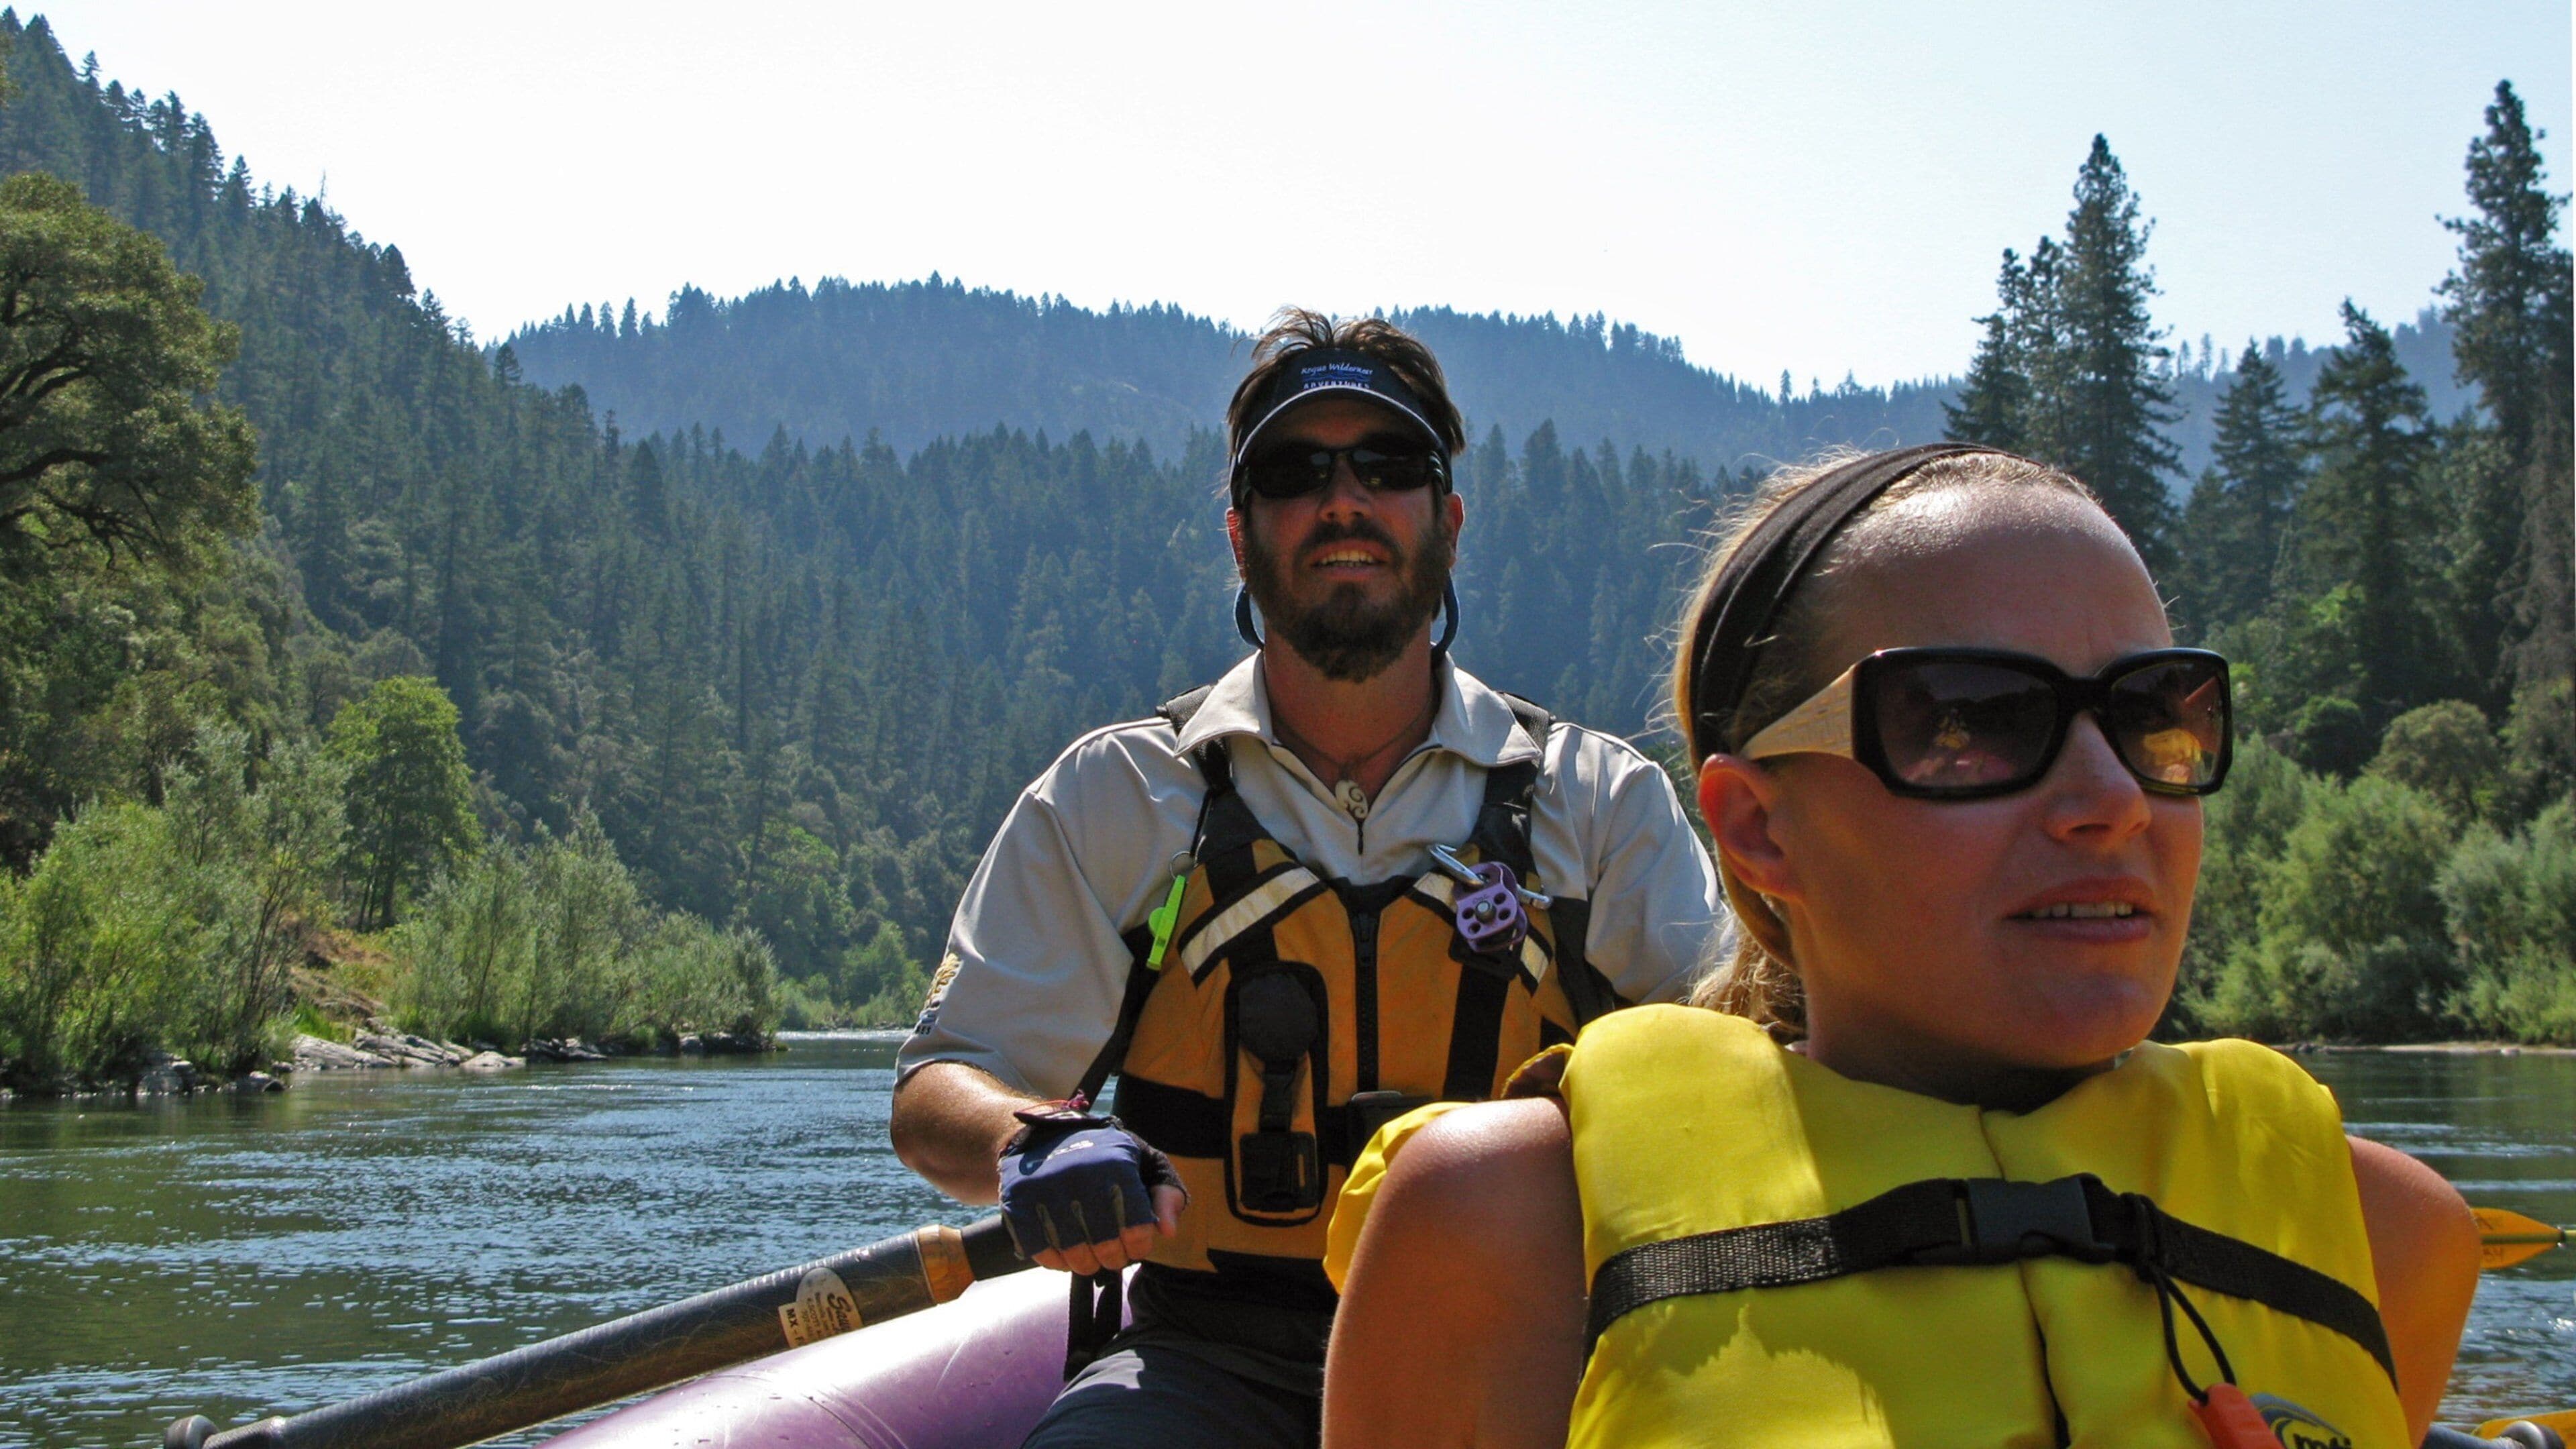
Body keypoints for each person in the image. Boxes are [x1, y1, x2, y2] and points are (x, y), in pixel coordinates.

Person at [1320, 445, 2481, 1449]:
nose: (2111, 799)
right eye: (1969, 723)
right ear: (1760, 828)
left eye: (2154, 716)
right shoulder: (1497, 1232)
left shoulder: (2385, 1234)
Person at [890, 309, 1725, 1448]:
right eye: (1296, 473)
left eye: (1388, 467)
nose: (1344, 502)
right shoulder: (1124, 796)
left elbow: (1739, 1079)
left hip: (1538, 1348)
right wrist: (1031, 1143)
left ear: (1449, 520)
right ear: (1242, 533)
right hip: (1205, 1356)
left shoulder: (1598, 801)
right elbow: (944, 1088)